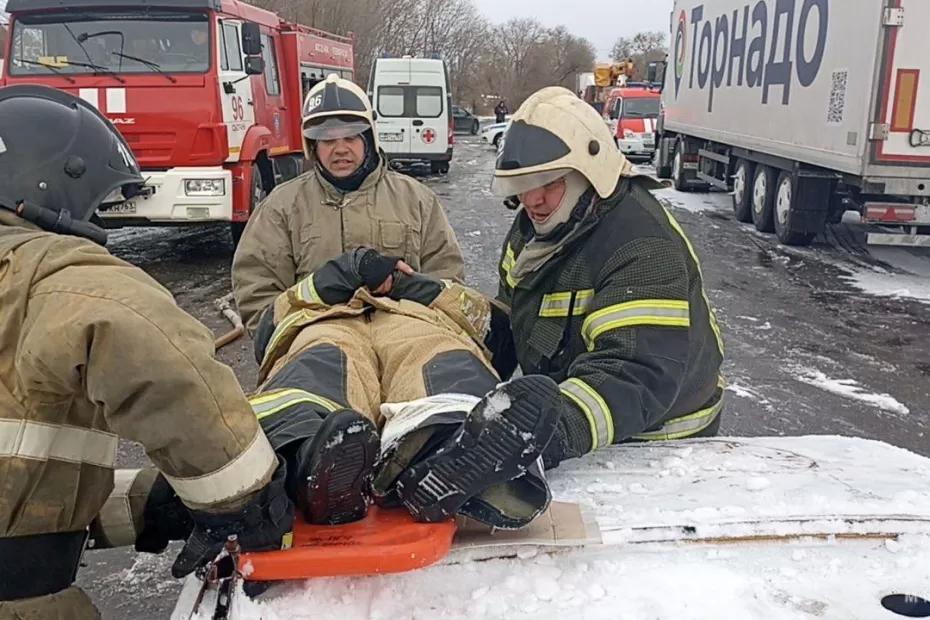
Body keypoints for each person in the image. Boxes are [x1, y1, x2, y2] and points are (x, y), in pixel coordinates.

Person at [0, 85, 297, 618]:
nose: (99, 223)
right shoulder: (51, 274)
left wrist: (149, 503)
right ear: (47, 190)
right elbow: (165, 359)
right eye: (95, 204)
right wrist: (242, 496)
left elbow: (23, 483)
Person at [232, 75, 558, 530]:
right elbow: (258, 305)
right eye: (326, 139)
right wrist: (321, 287)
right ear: (310, 146)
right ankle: (312, 461)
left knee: (438, 356)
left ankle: (453, 453)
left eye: (350, 136)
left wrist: (418, 288)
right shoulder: (281, 208)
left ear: (368, 137)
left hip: (407, 316)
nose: (339, 148)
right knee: (324, 363)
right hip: (324, 320)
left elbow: (448, 279)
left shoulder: (416, 199)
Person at [388, 86, 725, 470]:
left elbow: (634, 375)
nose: (533, 200)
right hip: (584, 431)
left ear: (590, 171)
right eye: (525, 184)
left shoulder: (641, 242)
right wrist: (429, 294)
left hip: (659, 447)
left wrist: (537, 433)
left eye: (550, 182)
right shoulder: (536, 231)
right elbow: (511, 327)